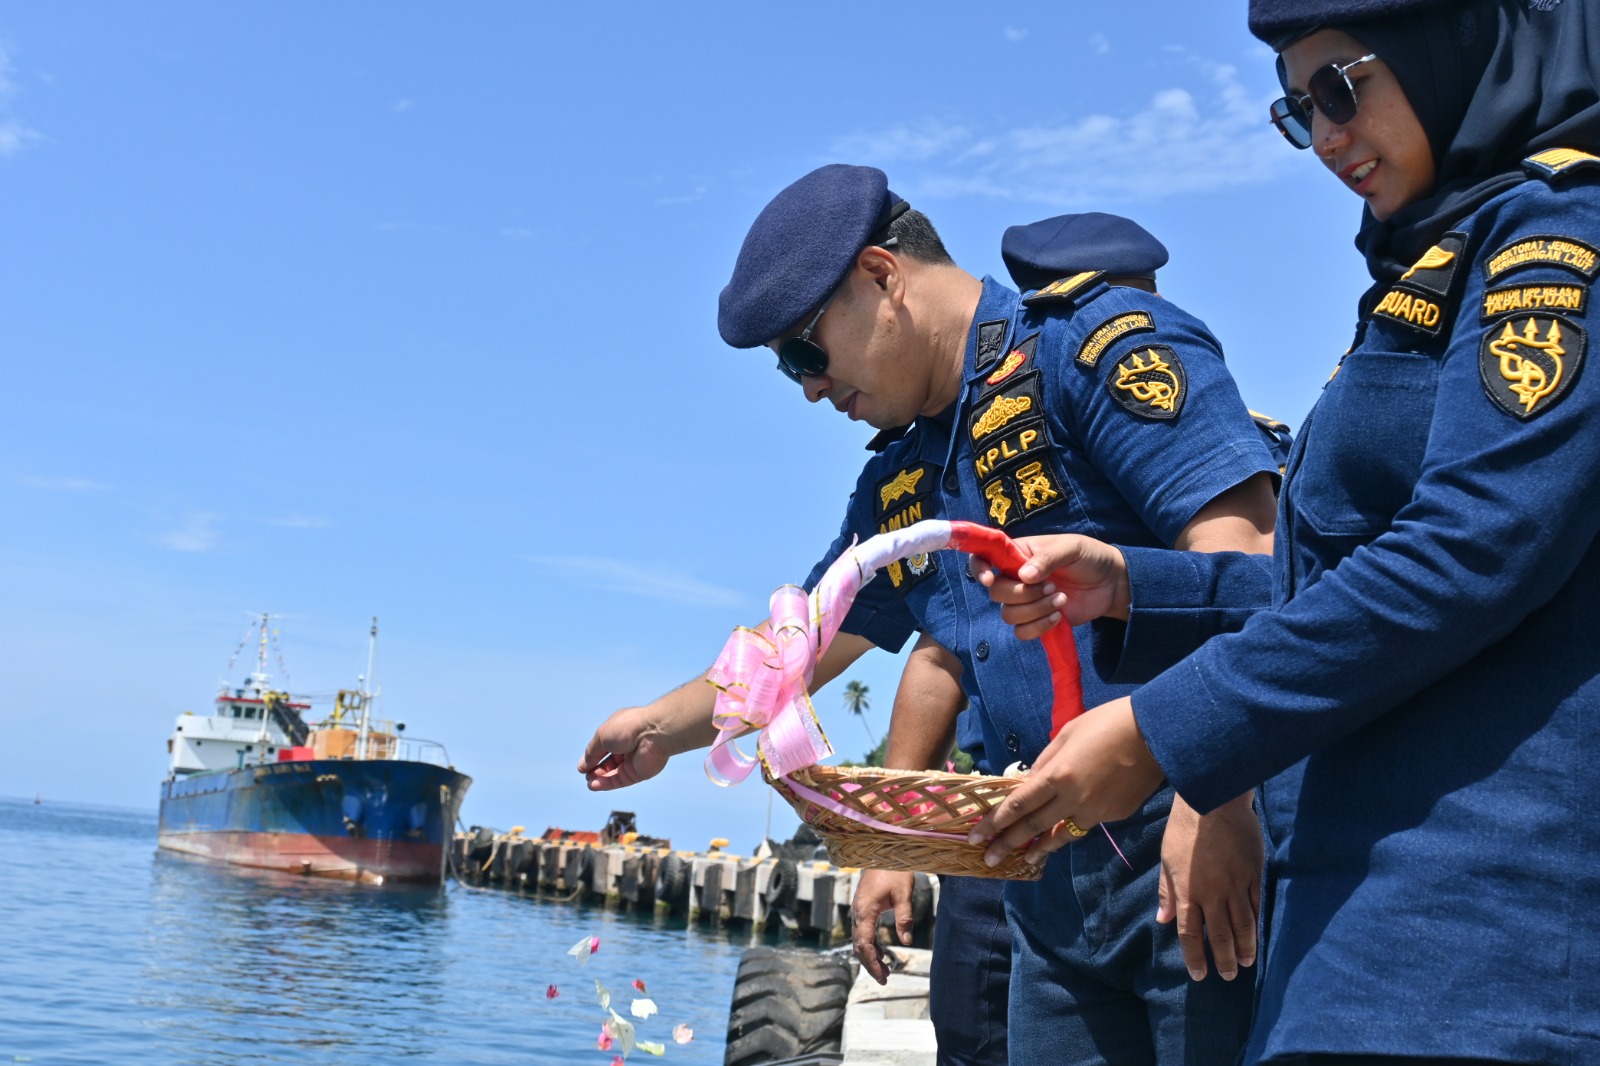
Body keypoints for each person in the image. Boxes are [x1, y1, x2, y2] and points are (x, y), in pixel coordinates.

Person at [972, 1, 1600, 1062]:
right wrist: (1135, 582)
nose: (1324, 137)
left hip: (1474, 953)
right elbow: (1337, 575)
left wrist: (1164, 732)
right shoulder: (1431, 264)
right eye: (1294, 109)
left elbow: (1470, 550)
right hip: (1351, 938)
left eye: (1340, 91)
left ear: (1449, 45)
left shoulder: (1554, 239)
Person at [580, 164, 1282, 1065]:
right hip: (1045, 872)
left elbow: (1256, 569)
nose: (805, 388)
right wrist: (656, 728)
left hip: (1188, 839)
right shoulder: (901, 478)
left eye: (804, 351)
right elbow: (801, 647)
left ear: (881, 276)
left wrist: (1217, 792)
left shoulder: (1091, 349)